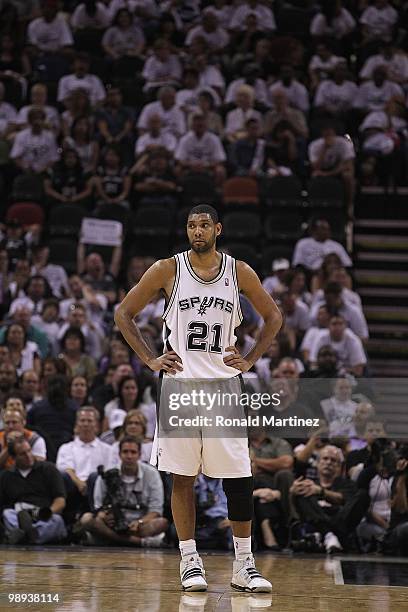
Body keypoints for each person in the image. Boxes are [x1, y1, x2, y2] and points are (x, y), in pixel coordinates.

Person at [114, 204, 282, 592]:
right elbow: (125, 313)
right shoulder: (167, 269)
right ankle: (189, 561)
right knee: (183, 478)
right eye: (191, 225)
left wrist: (251, 359)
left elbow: (274, 316)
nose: (197, 231)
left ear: (218, 228)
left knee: (239, 478)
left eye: (204, 225)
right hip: (180, 387)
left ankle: (244, 564)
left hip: (224, 386)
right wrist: (150, 359)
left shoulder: (238, 271)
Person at [79, 436, 168, 547]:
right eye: (125, 452)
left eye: (133, 452)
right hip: (112, 524)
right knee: (86, 519)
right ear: (119, 454)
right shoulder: (107, 474)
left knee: (161, 522)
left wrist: (140, 522)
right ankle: (139, 542)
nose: (129, 456)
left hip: (139, 525)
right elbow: (98, 506)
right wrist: (104, 516)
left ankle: (110, 540)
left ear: (140, 455)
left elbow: (156, 510)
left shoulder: (152, 474)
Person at [0, 438, 67, 545]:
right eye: (22, 454)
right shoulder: (7, 476)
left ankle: (26, 536)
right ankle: (30, 535)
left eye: (29, 451)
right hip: (19, 513)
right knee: (7, 514)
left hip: (43, 513)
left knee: (57, 520)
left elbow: (60, 500)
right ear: (13, 458)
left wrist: (47, 513)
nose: (28, 456)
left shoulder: (48, 469)